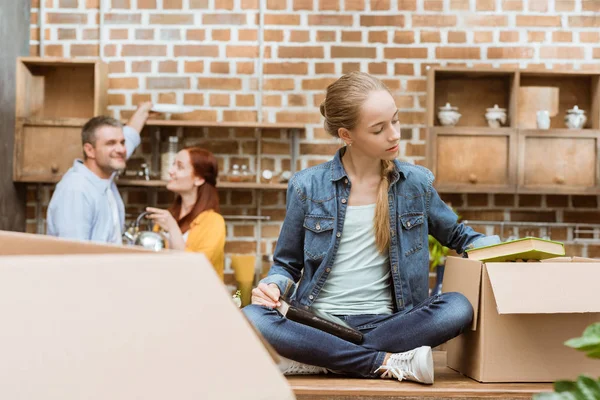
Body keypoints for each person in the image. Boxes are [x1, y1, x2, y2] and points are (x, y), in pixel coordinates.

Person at [242, 72, 499, 384]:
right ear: (346, 135)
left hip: (393, 323)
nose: (394, 135)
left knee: (457, 307)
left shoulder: (414, 183)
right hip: (318, 322)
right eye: (379, 129)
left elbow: (460, 237)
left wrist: (516, 251)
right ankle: (384, 362)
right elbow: (286, 264)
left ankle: (322, 358)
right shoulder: (307, 185)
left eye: (395, 121)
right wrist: (272, 287)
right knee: (252, 316)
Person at [47, 102, 154, 243]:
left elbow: (130, 137)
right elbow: (73, 255)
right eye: (111, 143)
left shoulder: (104, 172)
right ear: (90, 150)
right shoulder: (77, 190)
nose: (121, 149)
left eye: (122, 142)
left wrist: (143, 111)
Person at [145, 147, 226, 281]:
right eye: (173, 165)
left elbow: (196, 267)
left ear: (199, 179)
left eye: (180, 167)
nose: (171, 171)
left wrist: (172, 228)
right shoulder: (169, 216)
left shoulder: (214, 222)